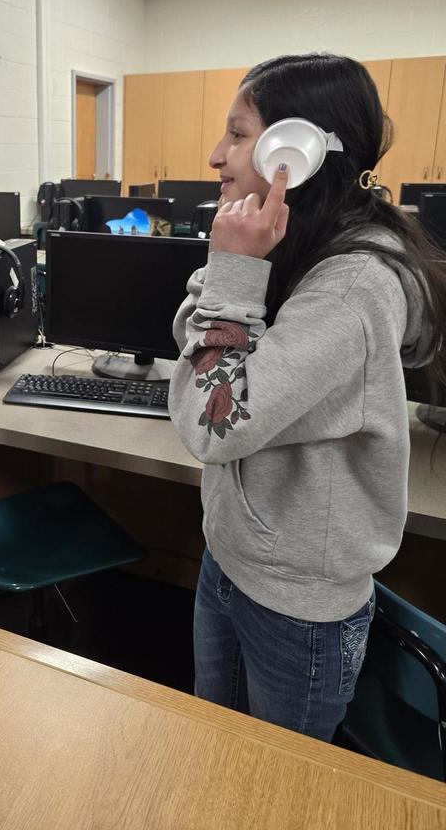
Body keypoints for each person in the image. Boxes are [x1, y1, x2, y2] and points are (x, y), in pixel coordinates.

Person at [168, 53, 446, 741]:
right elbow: (192, 338)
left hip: (297, 606)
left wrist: (233, 269)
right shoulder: (294, 244)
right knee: (216, 746)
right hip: (231, 557)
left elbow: (213, 417)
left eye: (236, 134)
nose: (215, 154)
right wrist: (234, 266)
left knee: (272, 792)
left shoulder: (354, 288)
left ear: (292, 149)